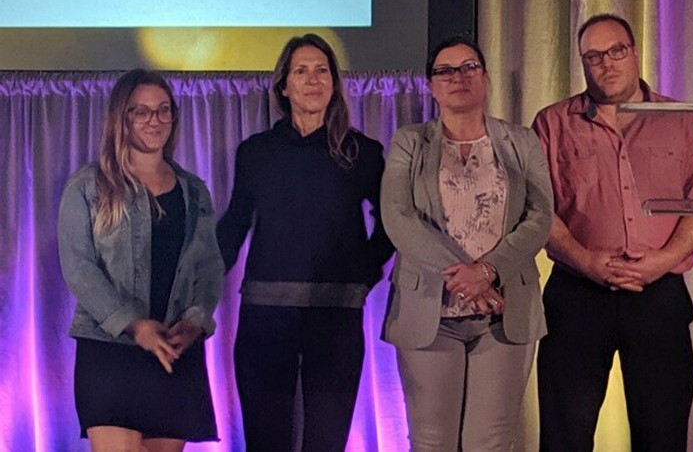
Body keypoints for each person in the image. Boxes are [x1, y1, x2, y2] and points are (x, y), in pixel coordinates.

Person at [534, 14, 693, 451]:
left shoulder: (683, 120)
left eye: (616, 51)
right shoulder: (552, 123)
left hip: (658, 297)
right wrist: (585, 260)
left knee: (662, 437)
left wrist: (662, 261)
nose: (606, 64)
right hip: (577, 295)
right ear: (582, 64)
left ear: (634, 52)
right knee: (564, 438)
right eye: (593, 57)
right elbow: (538, 209)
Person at [216, 34, 393, 450]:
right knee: (265, 442)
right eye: (301, 71)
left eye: (322, 71)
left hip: (336, 318)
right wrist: (195, 289)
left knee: (326, 443)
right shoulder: (256, 152)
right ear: (283, 85)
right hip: (264, 315)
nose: (313, 80)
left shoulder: (362, 152)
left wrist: (362, 276)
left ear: (334, 83)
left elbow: (391, 225)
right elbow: (234, 225)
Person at [379, 37, 552, 451]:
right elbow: (398, 217)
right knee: (431, 442)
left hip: (503, 315)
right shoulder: (409, 142)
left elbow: (540, 215)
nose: (458, 77)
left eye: (469, 67)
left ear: (485, 77)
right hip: (429, 312)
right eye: (445, 71)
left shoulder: (522, 141)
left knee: (489, 442)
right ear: (430, 85)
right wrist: (469, 279)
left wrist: (488, 271)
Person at [58, 69, 224, 451]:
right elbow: (79, 267)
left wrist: (195, 322)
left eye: (164, 110)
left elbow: (209, 267)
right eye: (142, 111)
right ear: (122, 117)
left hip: (173, 349)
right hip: (111, 352)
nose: (155, 120)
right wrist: (133, 325)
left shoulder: (194, 191)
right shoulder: (88, 186)